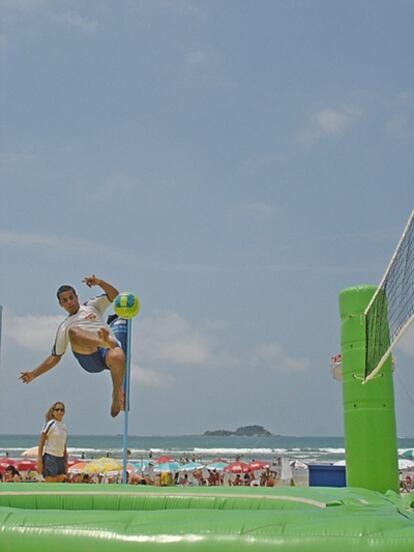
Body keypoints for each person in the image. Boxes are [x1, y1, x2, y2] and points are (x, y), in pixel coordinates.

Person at [19, 275, 125, 417]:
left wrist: (99, 282)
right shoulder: (64, 326)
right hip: (90, 357)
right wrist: (33, 374)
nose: (69, 302)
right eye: (65, 300)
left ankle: (115, 395)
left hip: (107, 353)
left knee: (118, 355)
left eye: (71, 298)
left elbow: (115, 295)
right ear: (60, 304)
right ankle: (103, 341)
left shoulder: (91, 306)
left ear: (77, 297)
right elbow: (55, 357)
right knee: (73, 332)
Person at [37, 401, 68, 483]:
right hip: (50, 457)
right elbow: (42, 440)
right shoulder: (50, 424)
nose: (59, 412)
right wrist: (39, 459)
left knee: (60, 479)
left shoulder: (64, 426)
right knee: (50, 481)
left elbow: (63, 444)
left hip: (60, 458)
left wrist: (66, 460)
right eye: (57, 409)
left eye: (62, 410)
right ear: (53, 411)